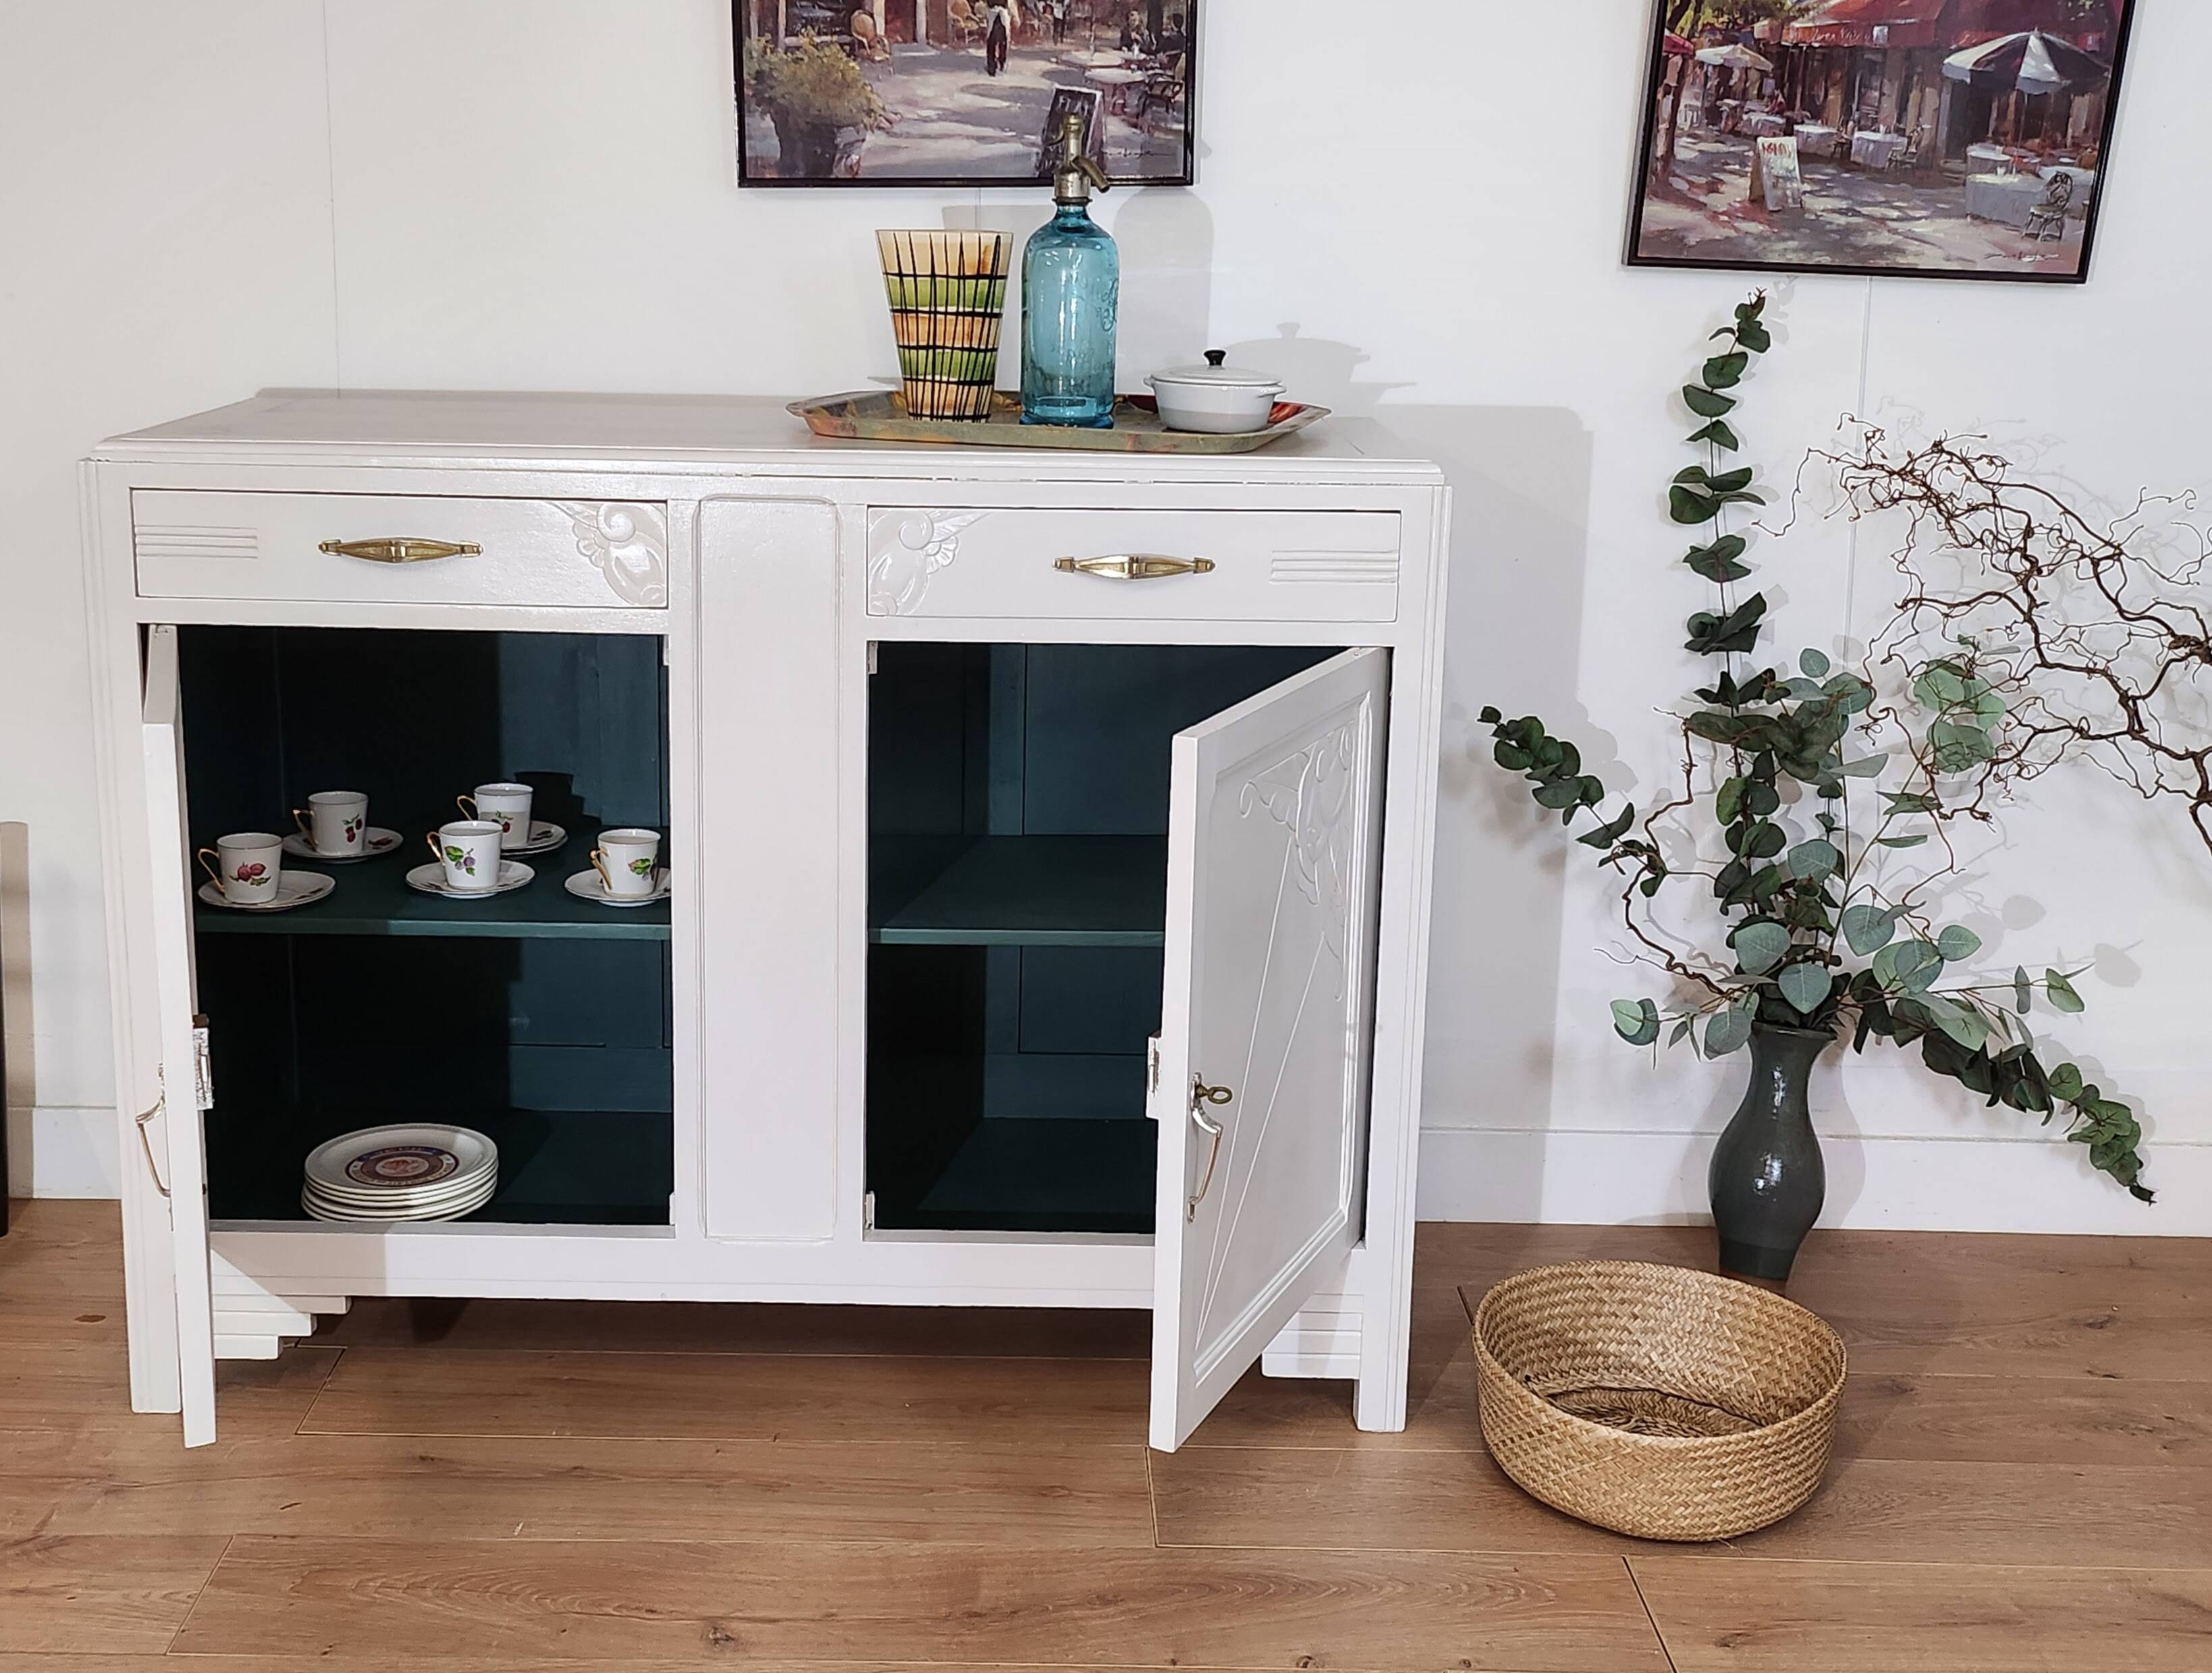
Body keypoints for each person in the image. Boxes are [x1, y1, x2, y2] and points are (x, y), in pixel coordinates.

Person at [985, 1, 1010, 75]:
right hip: (999, 12)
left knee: (993, 41)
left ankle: (993, 65)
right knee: (1002, 40)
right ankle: (1000, 63)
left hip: (995, 12)